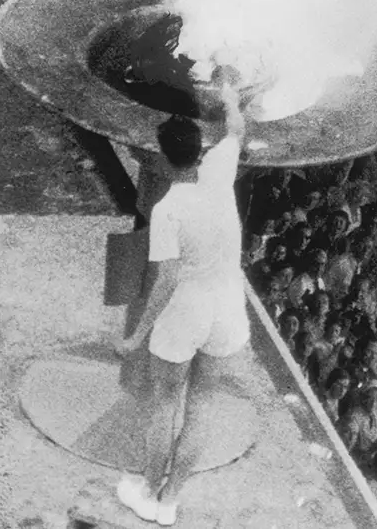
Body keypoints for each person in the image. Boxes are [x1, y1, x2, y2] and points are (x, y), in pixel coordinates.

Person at [114, 76, 251, 526]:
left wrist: (136, 335)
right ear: (197, 149)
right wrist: (229, 94)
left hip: (186, 311)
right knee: (204, 404)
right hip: (228, 307)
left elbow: (167, 280)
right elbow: (236, 131)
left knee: (165, 404)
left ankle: (149, 490)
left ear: (163, 155)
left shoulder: (168, 209)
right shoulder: (220, 170)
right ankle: (170, 501)